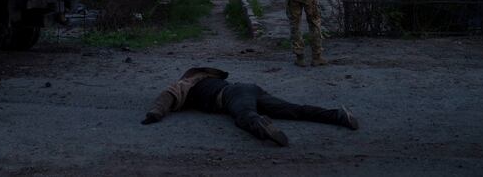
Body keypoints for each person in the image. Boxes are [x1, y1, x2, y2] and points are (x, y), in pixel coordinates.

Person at [141, 67, 358, 147]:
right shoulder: (207, 77)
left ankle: (260, 124)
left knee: (244, 114)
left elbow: (165, 98)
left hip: (231, 95)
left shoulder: (185, 84)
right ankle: (339, 115)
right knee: (294, 109)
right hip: (250, 88)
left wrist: (153, 115)